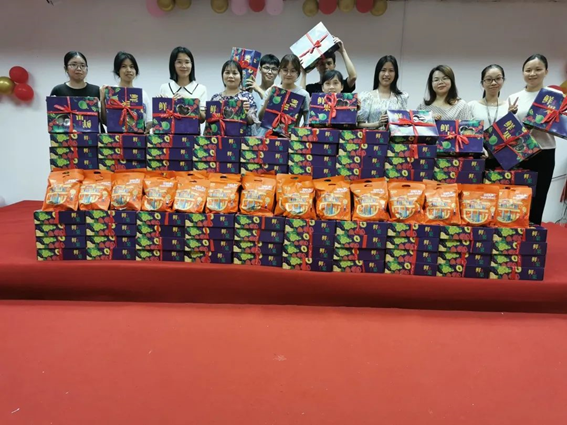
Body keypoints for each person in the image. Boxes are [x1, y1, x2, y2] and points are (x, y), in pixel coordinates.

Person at [508, 54, 556, 224]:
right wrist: (510, 116)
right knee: (517, 195)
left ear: (546, 71)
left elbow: (560, 125)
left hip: (545, 151)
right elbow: (509, 129)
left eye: (538, 69)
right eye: (528, 70)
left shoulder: (554, 96)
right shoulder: (514, 97)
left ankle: (534, 232)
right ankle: (515, 231)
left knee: (539, 195)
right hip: (520, 152)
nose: (532, 73)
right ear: (523, 73)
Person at [100, 51, 152, 131]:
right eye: (124, 66)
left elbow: (149, 121)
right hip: (115, 137)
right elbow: (105, 121)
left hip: (138, 138)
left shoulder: (143, 94)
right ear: (118, 70)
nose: (128, 70)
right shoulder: (111, 92)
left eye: (132, 67)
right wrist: (102, 100)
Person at [259, 54, 311, 130]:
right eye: (285, 70)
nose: (288, 74)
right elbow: (260, 118)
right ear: (279, 71)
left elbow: (307, 122)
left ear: (298, 73)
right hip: (268, 135)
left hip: (292, 136)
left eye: (293, 71)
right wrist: (267, 100)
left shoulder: (304, 94)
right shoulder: (271, 90)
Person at [357, 55, 409, 129]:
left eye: (391, 70)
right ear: (378, 72)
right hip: (372, 136)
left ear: (395, 74)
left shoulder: (401, 98)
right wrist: (377, 124)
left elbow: (405, 124)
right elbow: (358, 124)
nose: (387, 74)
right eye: (383, 70)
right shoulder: (366, 97)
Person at [209, 60, 258, 136]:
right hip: (220, 140)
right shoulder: (215, 98)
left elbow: (252, 122)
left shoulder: (247, 96)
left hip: (242, 140)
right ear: (222, 76)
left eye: (235, 73)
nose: (230, 76)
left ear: (241, 77)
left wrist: (247, 112)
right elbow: (210, 123)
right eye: (227, 73)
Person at [159, 46, 207, 120]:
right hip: (170, 127)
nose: (183, 66)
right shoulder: (164, 87)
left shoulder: (201, 89)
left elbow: (202, 119)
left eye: (187, 62)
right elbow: (160, 117)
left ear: (192, 64)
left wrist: (189, 101)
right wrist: (160, 103)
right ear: (173, 65)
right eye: (179, 62)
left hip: (192, 128)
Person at [468, 64, 510, 130]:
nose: (493, 83)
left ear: (503, 81)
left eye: (498, 78)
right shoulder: (471, 106)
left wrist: (510, 115)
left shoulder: (508, 107)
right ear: (482, 83)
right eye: (489, 79)